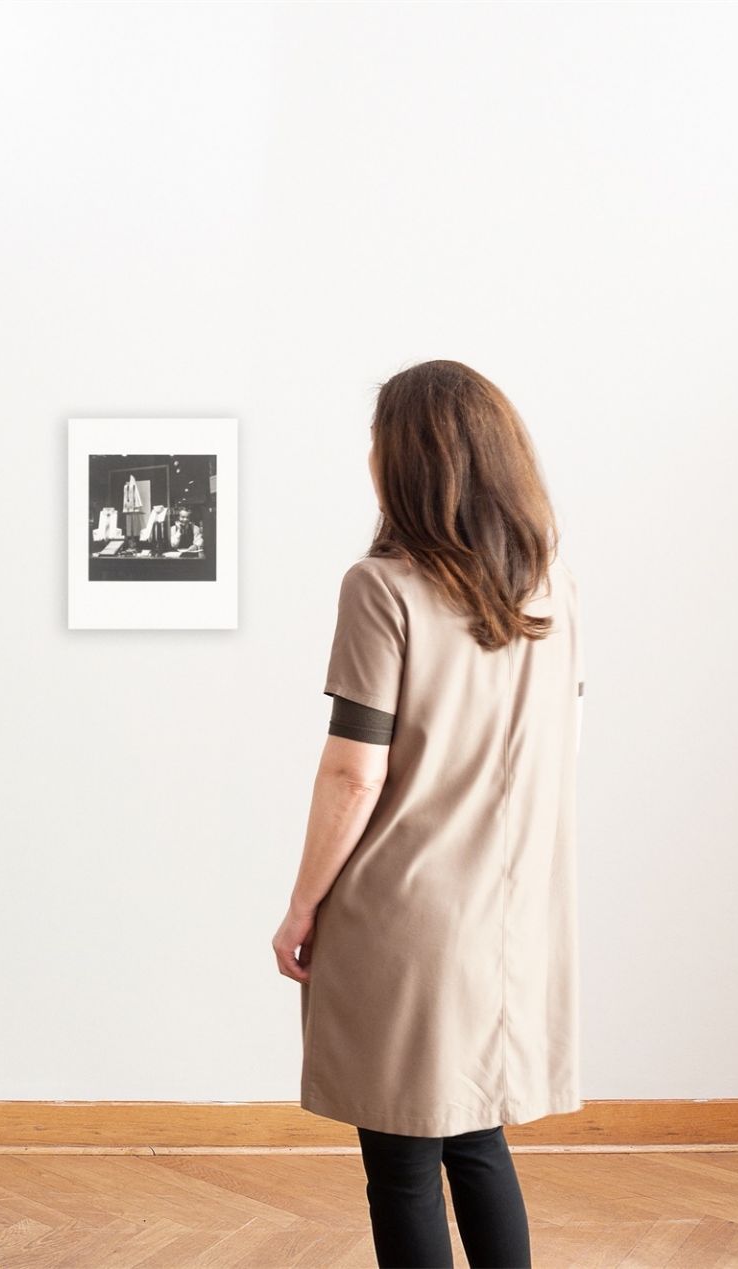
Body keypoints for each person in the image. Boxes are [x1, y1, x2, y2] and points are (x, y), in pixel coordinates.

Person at [271, 360, 584, 1268]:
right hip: (506, 912)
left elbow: (352, 775)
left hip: (402, 915)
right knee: (477, 1142)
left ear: (408, 460)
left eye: (376, 440)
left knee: (403, 1167)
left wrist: (301, 907)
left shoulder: (382, 587)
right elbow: (564, 744)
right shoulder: (552, 587)